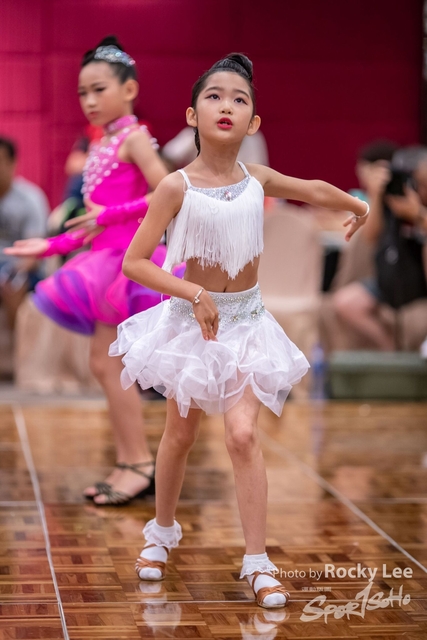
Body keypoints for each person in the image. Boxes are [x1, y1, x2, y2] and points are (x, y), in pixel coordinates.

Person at [109, 53, 368, 608]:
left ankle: (257, 560)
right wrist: (194, 293)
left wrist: (357, 205)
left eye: (239, 99)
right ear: (192, 115)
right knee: (180, 436)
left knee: (243, 435)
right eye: (214, 96)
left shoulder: (258, 180)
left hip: (248, 323)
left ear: (253, 123)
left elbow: (313, 187)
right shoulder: (176, 186)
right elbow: (135, 263)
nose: (226, 105)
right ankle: (161, 533)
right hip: (192, 325)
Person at [4, 36, 170, 505]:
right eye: (83, 92)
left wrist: (110, 215)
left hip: (128, 266)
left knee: (107, 364)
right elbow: (92, 225)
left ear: (129, 90)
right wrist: (50, 245)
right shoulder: (104, 143)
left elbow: (168, 191)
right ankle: (131, 460)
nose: (89, 101)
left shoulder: (134, 138)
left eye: (99, 89)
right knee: (105, 364)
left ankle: (138, 463)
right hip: (106, 262)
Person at [333, 147, 427, 350]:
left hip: (421, 281)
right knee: (345, 303)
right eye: (416, 182)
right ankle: (391, 352)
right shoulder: (395, 197)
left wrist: (418, 215)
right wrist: (376, 195)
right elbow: (370, 236)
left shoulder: (418, 208)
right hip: (393, 278)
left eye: (423, 184)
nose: (419, 190)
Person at [0, 136, 49, 331]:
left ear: (12, 163)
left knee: (14, 284)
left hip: (21, 267)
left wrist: (12, 273)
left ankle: (17, 347)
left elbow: (34, 255)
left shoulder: (30, 199)